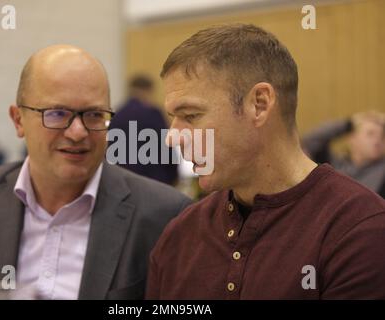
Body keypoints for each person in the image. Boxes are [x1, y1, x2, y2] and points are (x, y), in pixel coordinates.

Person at [146, 24, 385, 299]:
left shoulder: (361, 230)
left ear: (259, 104)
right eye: (173, 118)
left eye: (190, 116)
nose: (172, 139)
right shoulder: (181, 234)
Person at [0, 45, 192, 300]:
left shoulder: (163, 215)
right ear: (18, 120)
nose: (78, 132)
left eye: (94, 114)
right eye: (57, 113)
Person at [109, 75, 178, 185]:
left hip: (121, 183)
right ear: (148, 91)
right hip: (154, 182)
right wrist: (174, 177)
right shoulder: (153, 114)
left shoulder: (116, 116)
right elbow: (166, 149)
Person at [302, 111, 385, 198]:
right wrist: (348, 123)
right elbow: (310, 141)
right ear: (352, 138)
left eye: (382, 136)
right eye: (370, 134)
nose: (377, 141)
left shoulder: (382, 171)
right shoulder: (333, 165)